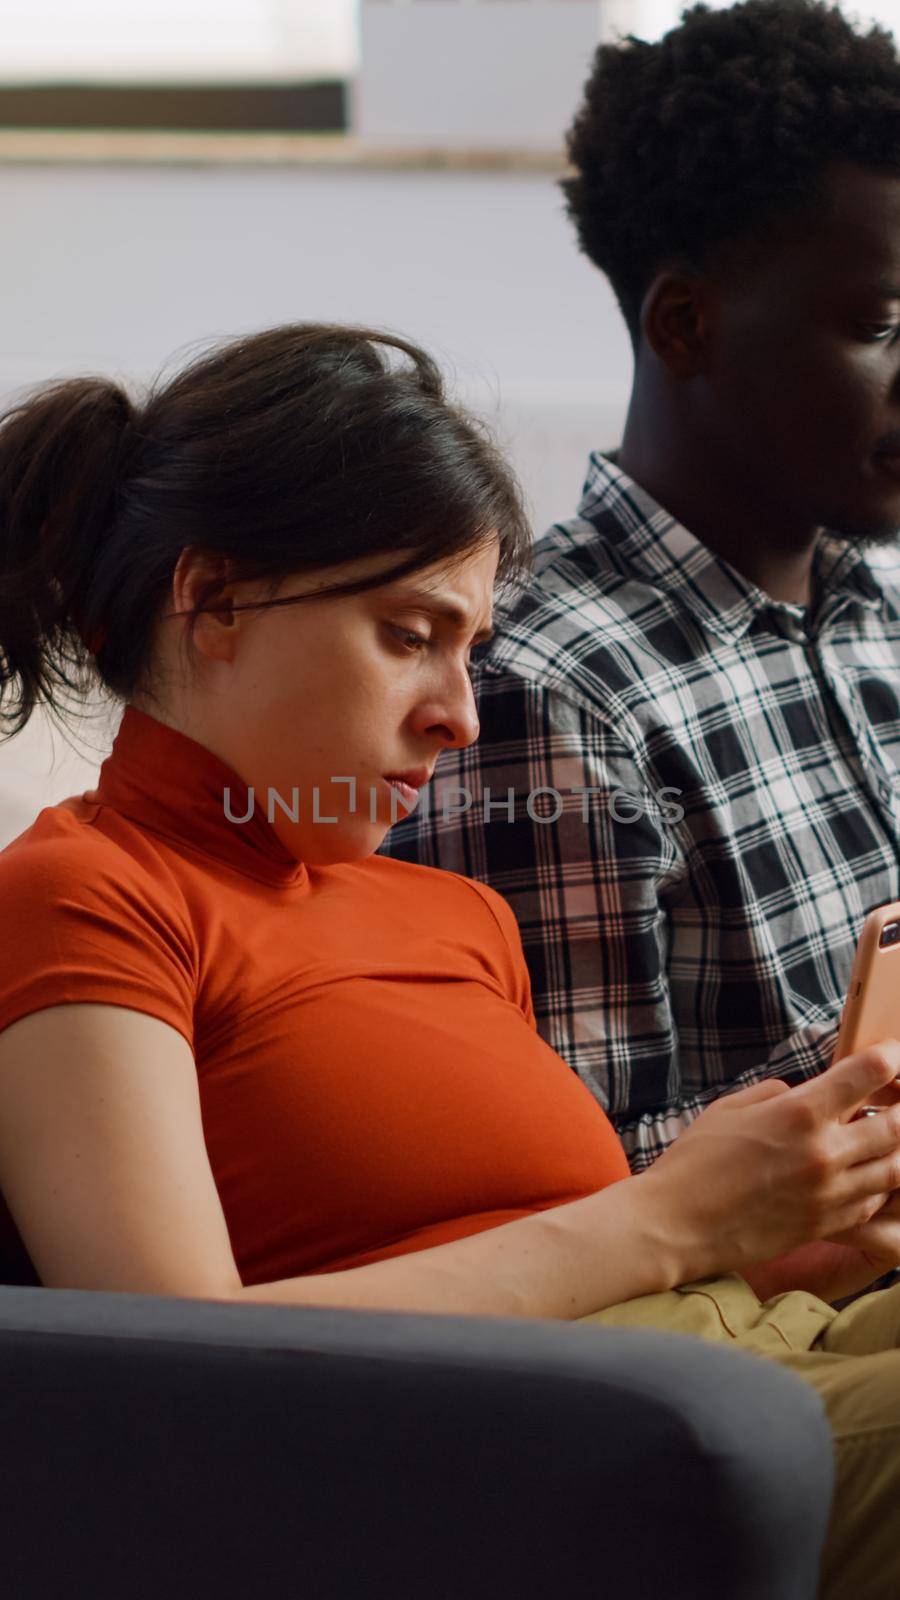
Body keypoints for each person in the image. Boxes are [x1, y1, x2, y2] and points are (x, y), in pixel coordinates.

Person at [0, 320, 898, 1598]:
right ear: (214, 603)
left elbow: (546, 1244)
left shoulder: (453, 915)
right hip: (540, 1447)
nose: (460, 712)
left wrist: (769, 1233)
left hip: (720, 1354)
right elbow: (162, 1353)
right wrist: (661, 1217)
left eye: (469, 646)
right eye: (410, 633)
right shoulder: (86, 890)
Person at [383, 0, 900, 1213]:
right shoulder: (537, 688)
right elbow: (576, 1177)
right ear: (686, 324)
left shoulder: (871, 609)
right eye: (882, 327)